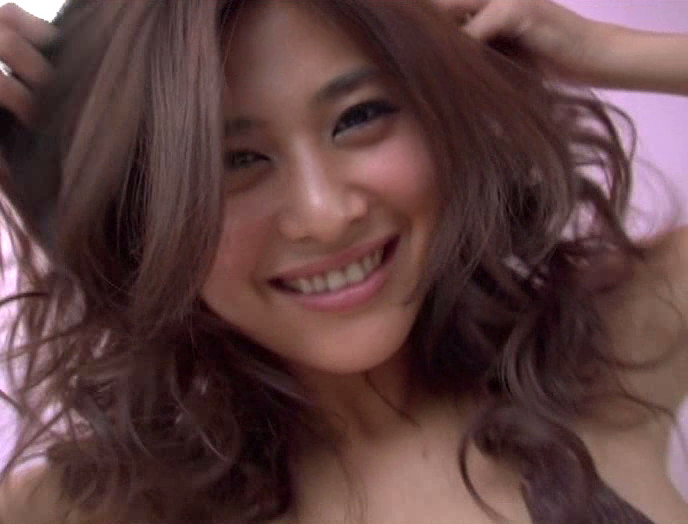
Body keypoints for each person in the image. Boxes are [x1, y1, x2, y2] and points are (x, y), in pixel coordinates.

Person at [0, 0, 686, 523]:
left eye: (358, 117)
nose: (326, 214)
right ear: (141, 215)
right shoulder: (109, 503)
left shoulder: (613, 352)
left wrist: (608, 51)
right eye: (233, 161)